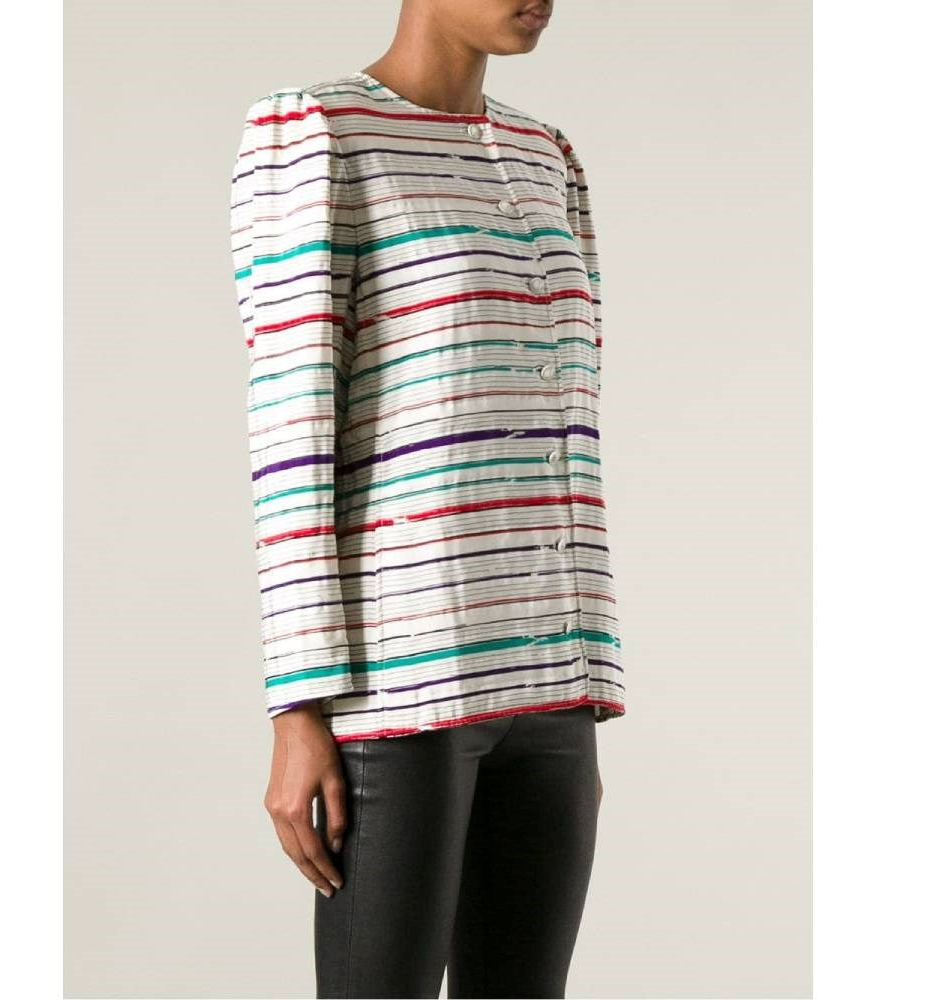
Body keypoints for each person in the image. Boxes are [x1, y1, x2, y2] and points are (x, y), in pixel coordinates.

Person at [228, 2, 626, 996]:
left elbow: (567, 425)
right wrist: (297, 705)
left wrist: (582, 679)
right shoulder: (316, 132)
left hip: (549, 680)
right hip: (401, 685)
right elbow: (292, 427)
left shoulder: (546, 155)